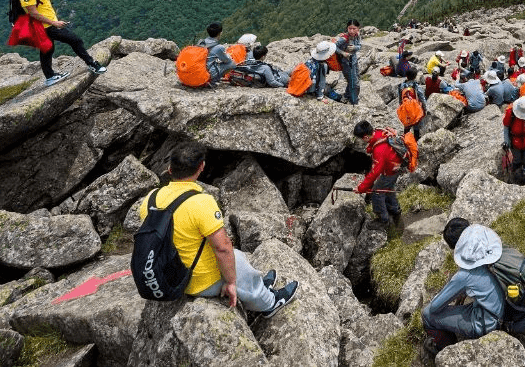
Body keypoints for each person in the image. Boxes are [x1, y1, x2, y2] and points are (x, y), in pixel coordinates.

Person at [137, 142, 296, 316]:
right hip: (198, 282)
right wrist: (231, 283)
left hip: (169, 275)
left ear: (169, 169)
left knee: (232, 258)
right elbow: (222, 247)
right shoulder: (201, 203)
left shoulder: (150, 199)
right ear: (201, 167)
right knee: (235, 258)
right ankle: (269, 302)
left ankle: (258, 285)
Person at [15, 0, 106, 86]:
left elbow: (42, 0)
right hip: (45, 26)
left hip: (46, 24)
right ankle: (92, 64)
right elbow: (33, 14)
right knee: (75, 40)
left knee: (47, 50)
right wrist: (54, 23)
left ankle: (50, 77)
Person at [421, 219, 504, 354]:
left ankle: (446, 349)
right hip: (500, 310)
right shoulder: (489, 250)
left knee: (427, 315)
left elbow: (435, 307)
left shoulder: (464, 275)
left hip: (487, 323)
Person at [353, 120, 403, 232]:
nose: (361, 141)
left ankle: (383, 220)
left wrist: (361, 188)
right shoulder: (379, 132)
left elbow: (375, 173)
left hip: (390, 172)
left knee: (377, 192)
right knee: (388, 188)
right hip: (396, 167)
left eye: (361, 139)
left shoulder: (379, 150)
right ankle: (394, 209)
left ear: (365, 137)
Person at [502, 95, 525, 185]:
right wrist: (506, 142)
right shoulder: (510, 113)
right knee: (516, 161)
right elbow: (506, 127)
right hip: (515, 142)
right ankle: (517, 180)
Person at [333, 20, 363, 105]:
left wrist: (355, 48)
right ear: (347, 28)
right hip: (346, 63)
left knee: (354, 80)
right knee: (354, 83)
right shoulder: (344, 38)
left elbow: (359, 46)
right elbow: (334, 47)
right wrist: (343, 53)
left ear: (358, 28)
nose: (352, 31)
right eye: (350, 28)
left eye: (354, 28)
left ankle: (346, 96)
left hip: (354, 60)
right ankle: (354, 102)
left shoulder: (357, 36)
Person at [397, 69, 427, 139]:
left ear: (406, 76)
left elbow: (400, 99)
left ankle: (405, 138)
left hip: (405, 108)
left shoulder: (401, 86)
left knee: (407, 125)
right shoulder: (416, 86)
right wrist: (425, 109)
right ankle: (416, 140)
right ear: (415, 77)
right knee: (416, 125)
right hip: (414, 108)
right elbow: (422, 98)